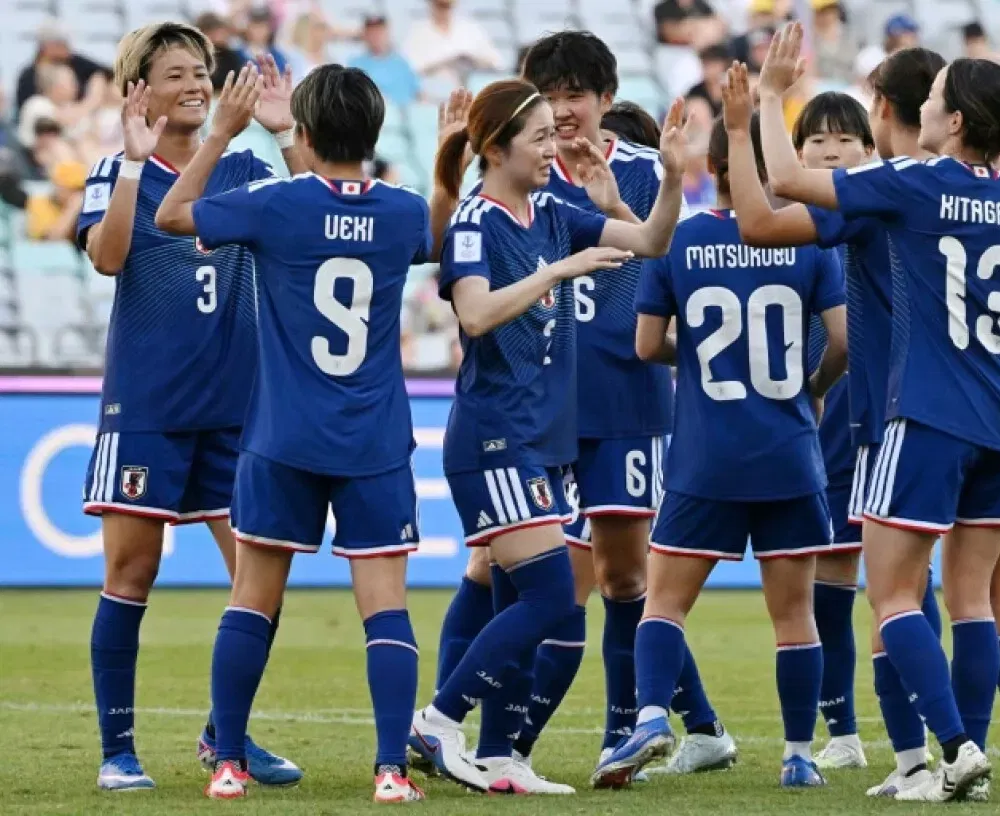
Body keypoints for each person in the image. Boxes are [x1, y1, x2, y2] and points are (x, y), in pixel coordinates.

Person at [757, 23, 1000, 801]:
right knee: (977, 597)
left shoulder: (919, 181)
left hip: (929, 411)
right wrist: (986, 328)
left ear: (955, 121)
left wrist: (767, 97)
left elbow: (790, 186)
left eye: (936, 99)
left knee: (892, 595)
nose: (925, 107)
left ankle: (956, 749)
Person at [154, 62, 432, 803]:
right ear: (373, 133)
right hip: (373, 438)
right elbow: (415, 223)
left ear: (305, 132)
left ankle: (228, 762)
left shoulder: (274, 205)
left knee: (252, 598)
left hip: (282, 435)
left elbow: (173, 216)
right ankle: (390, 771)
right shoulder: (404, 212)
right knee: (386, 607)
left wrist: (222, 134)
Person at [407, 79, 686, 794]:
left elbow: (653, 241)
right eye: (536, 137)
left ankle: (500, 756)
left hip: (537, 441)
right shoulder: (476, 220)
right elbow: (474, 315)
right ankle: (439, 719)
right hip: (495, 438)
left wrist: (674, 177)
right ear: (495, 147)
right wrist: (556, 270)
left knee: (523, 601)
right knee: (550, 600)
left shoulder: (554, 210)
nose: (550, 147)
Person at [591, 82, 848, 790]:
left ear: (714, 169)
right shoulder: (809, 243)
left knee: (665, 601)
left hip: (707, 456)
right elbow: (844, 340)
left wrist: (704, 356)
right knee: (795, 615)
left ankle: (649, 714)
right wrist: (811, 388)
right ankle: (799, 755)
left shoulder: (680, 242)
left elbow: (647, 345)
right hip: (789, 448)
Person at [76, 22, 304, 792]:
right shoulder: (116, 170)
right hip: (147, 407)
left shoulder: (244, 165)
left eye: (201, 70)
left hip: (239, 412)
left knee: (259, 583)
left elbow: (317, 208)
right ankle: (118, 751)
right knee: (130, 574)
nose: (196, 84)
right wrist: (138, 162)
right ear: (139, 87)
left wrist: (285, 130)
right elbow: (108, 258)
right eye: (175, 73)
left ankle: (225, 735)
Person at [519, 31, 737, 776]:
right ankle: (694, 725)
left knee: (614, 579)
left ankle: (598, 736)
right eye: (547, 96)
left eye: (574, 93)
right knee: (516, 571)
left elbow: (680, 259)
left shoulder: (651, 171)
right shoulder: (524, 172)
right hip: (541, 404)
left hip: (629, 399)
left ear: (606, 99)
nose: (562, 110)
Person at [732, 47, 948, 795]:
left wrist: (760, 106)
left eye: (841, 137)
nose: (828, 149)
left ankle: (931, 749)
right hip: (925, 410)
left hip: (886, 408)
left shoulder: (878, 193)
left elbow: (765, 212)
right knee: (881, 578)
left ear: (882, 121)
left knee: (900, 588)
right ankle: (863, 734)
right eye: (814, 136)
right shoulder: (972, 191)